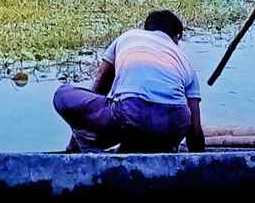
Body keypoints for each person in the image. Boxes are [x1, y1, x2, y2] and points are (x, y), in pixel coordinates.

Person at [53, 9, 206, 152]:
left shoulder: (129, 36)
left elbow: (100, 87)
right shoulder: (185, 60)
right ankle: (147, 145)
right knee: (138, 124)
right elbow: (195, 129)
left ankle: (94, 147)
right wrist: (201, 161)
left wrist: (74, 145)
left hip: (131, 116)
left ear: (146, 29)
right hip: (173, 127)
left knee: (62, 94)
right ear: (176, 37)